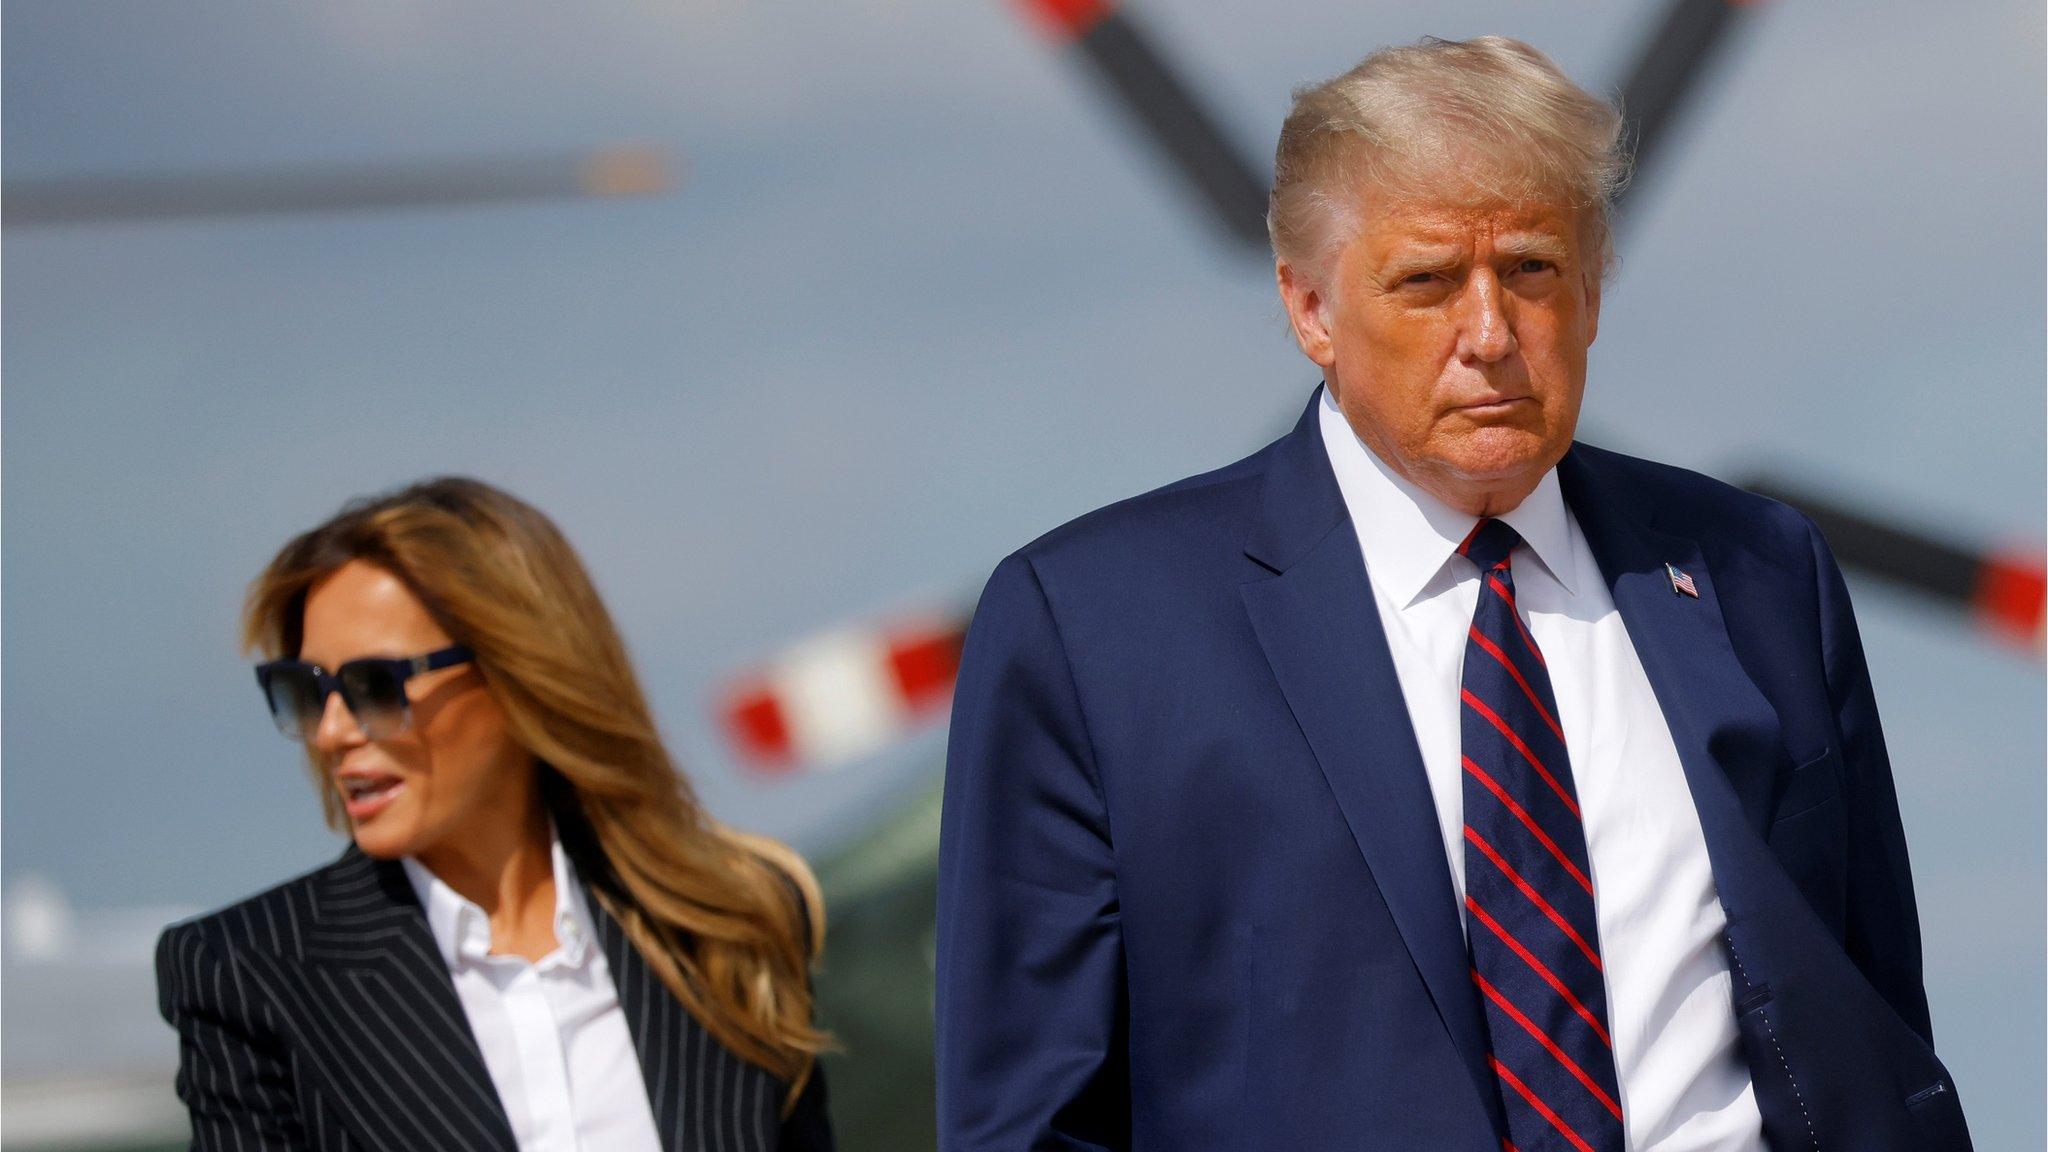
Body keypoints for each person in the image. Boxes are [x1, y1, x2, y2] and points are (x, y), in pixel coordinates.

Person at [936, 36, 1971, 1152]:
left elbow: (1871, 1023)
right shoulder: (1095, 629)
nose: (1488, 337)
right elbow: (1028, 1121)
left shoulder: (1758, 572)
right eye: (1426, 282)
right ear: (1308, 310)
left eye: (1528, 269)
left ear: (1590, 287)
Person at [156, 477, 834, 1152]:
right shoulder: (249, 976)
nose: (331, 731)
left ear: (518, 674)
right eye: (305, 692)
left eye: (372, 686)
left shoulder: (724, 926)